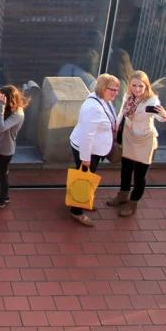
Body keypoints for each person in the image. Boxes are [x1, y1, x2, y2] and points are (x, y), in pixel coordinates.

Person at [106, 71, 166, 217]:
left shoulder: (151, 101)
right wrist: (114, 129)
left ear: (146, 86)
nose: (137, 89)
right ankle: (122, 195)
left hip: (145, 140)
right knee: (126, 170)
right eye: (134, 85)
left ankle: (133, 203)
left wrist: (165, 115)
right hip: (129, 136)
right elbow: (122, 113)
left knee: (140, 176)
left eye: (140, 86)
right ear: (129, 85)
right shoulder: (128, 96)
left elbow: (160, 117)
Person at [67, 74, 121, 226]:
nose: (116, 93)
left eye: (117, 90)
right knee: (83, 179)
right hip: (87, 151)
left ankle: (81, 202)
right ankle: (76, 212)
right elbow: (87, 135)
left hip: (94, 150)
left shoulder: (103, 100)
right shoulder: (94, 107)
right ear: (103, 88)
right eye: (113, 90)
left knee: (85, 179)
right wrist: (85, 159)